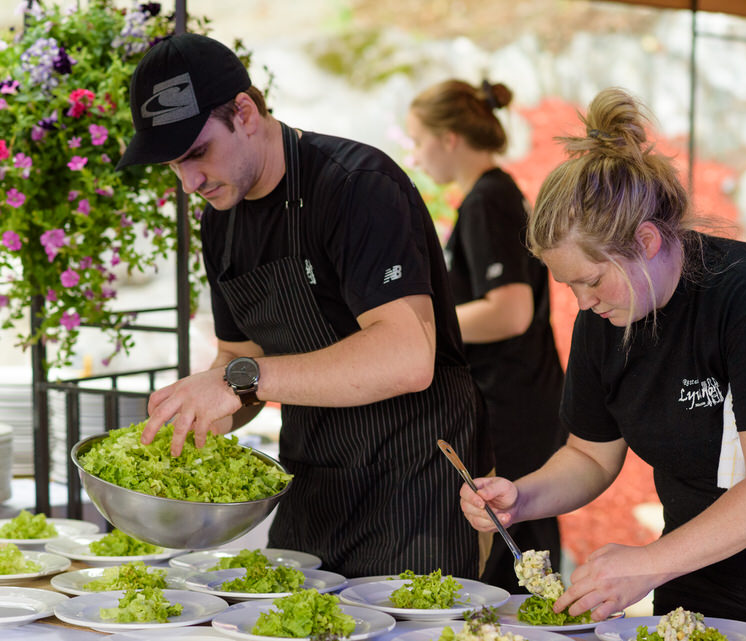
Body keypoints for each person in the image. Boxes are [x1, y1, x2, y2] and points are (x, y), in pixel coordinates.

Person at [456, 87, 746, 641]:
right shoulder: (606, 318)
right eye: (569, 285)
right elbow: (590, 456)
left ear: (646, 240)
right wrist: (524, 497)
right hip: (698, 574)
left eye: (591, 280)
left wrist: (646, 564)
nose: (582, 302)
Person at [116, 33, 487, 578]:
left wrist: (236, 379)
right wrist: (193, 416)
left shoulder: (357, 186)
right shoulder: (220, 223)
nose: (190, 182)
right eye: (173, 166)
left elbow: (408, 357)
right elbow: (236, 362)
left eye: (197, 153)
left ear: (244, 112)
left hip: (417, 491)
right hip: (313, 487)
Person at [406, 79, 567, 591]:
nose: (415, 155)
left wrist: (425, 332)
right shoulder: (492, 194)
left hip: (513, 407)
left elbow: (510, 312)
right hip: (521, 401)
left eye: (418, 141)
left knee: (515, 559)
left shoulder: (487, 199)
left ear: (449, 138)